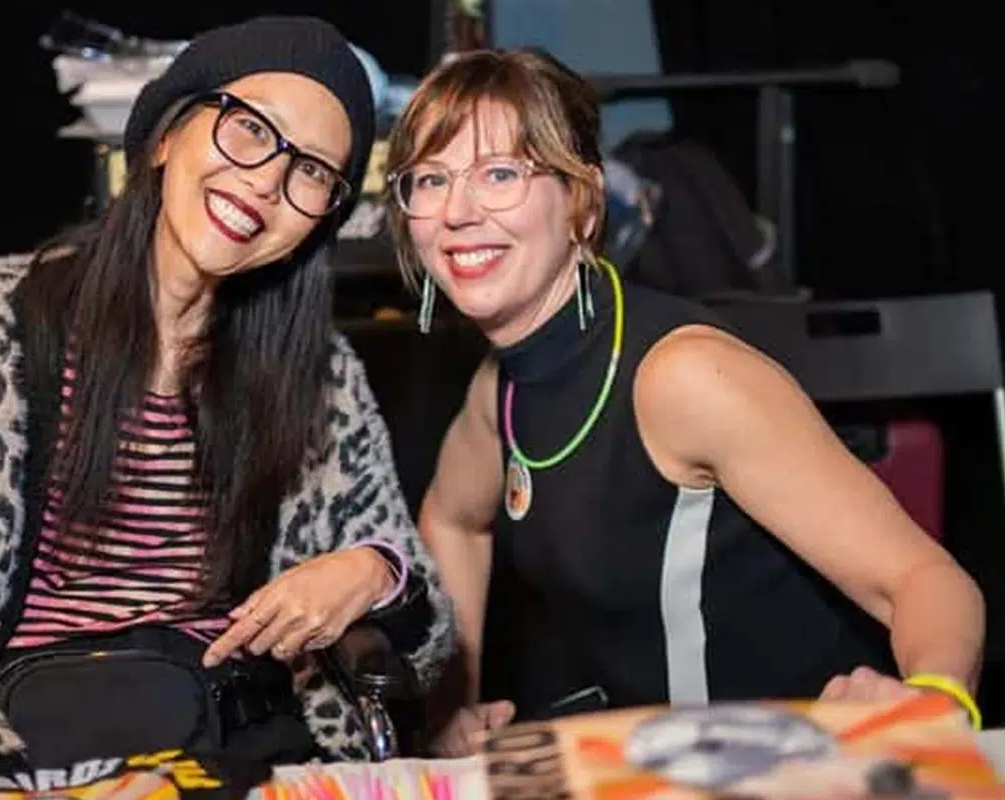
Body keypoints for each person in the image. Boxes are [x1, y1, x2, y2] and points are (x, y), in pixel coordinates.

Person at [0, 16, 453, 774]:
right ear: (166, 136)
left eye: (312, 173)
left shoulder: (318, 374)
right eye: (250, 129)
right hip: (36, 757)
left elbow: (424, 646)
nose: (266, 180)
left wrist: (375, 571)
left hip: (240, 754)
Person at [381, 48, 985, 757]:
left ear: (580, 200)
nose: (456, 211)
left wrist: (933, 701)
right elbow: (454, 520)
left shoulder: (683, 376)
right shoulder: (501, 387)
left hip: (794, 764)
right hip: (637, 764)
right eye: (430, 179)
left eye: (501, 174)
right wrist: (456, 700)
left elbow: (925, 579)